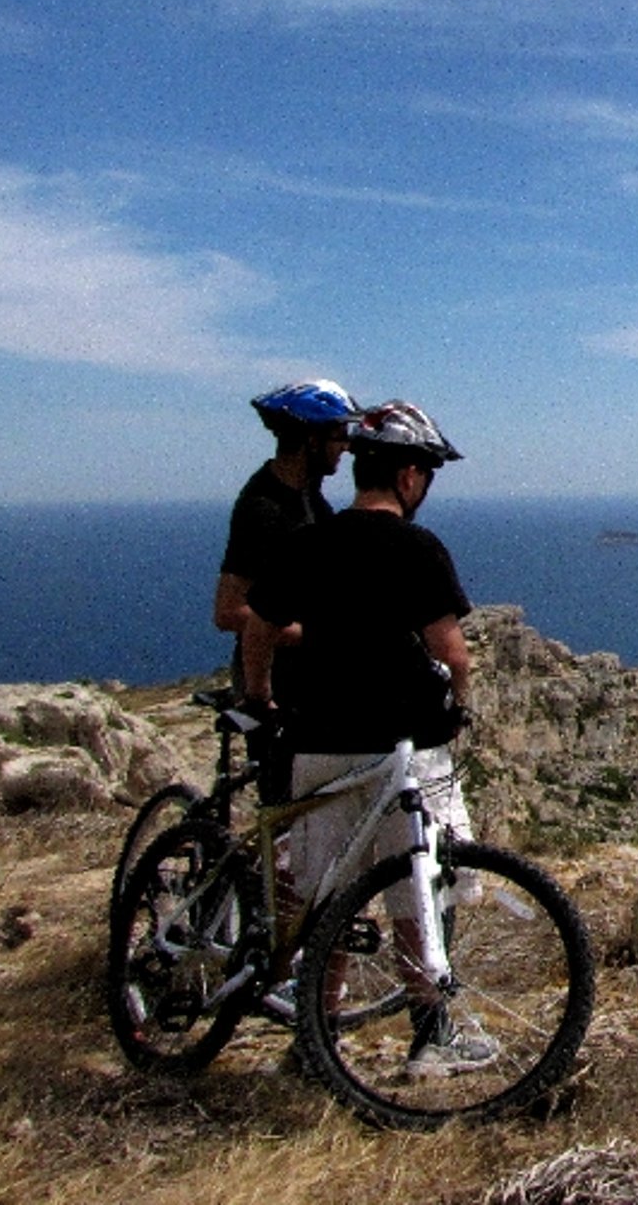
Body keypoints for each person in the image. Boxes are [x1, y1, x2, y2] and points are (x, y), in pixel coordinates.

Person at [240, 398, 491, 1076]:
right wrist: (459, 709)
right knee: (419, 891)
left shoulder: (308, 540)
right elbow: (454, 652)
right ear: (409, 477)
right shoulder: (416, 547)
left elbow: (258, 625)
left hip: (317, 746)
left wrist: (260, 694)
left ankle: (313, 1042)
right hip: (401, 751)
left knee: (325, 899)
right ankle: (431, 1036)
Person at [213, 379, 363, 728]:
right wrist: (316, 635)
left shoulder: (307, 497)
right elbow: (229, 611)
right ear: (312, 439)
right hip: (276, 684)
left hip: (304, 677)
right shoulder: (264, 509)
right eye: (340, 435)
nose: (346, 446)